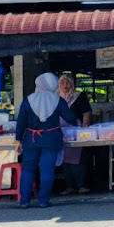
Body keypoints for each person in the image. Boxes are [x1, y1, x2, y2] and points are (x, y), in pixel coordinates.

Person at [15, 73, 78, 209]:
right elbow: (70, 117)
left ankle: (24, 201)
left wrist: (18, 140)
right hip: (51, 140)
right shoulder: (57, 100)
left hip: (31, 140)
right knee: (47, 170)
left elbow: (21, 122)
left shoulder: (28, 100)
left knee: (28, 170)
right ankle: (43, 201)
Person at [57, 74, 92, 195]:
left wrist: (85, 125)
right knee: (64, 160)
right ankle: (69, 186)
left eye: (67, 83)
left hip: (76, 132)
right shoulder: (55, 97)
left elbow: (86, 111)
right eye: (62, 83)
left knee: (79, 159)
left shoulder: (79, 96)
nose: (65, 86)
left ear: (72, 84)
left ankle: (81, 185)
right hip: (60, 132)